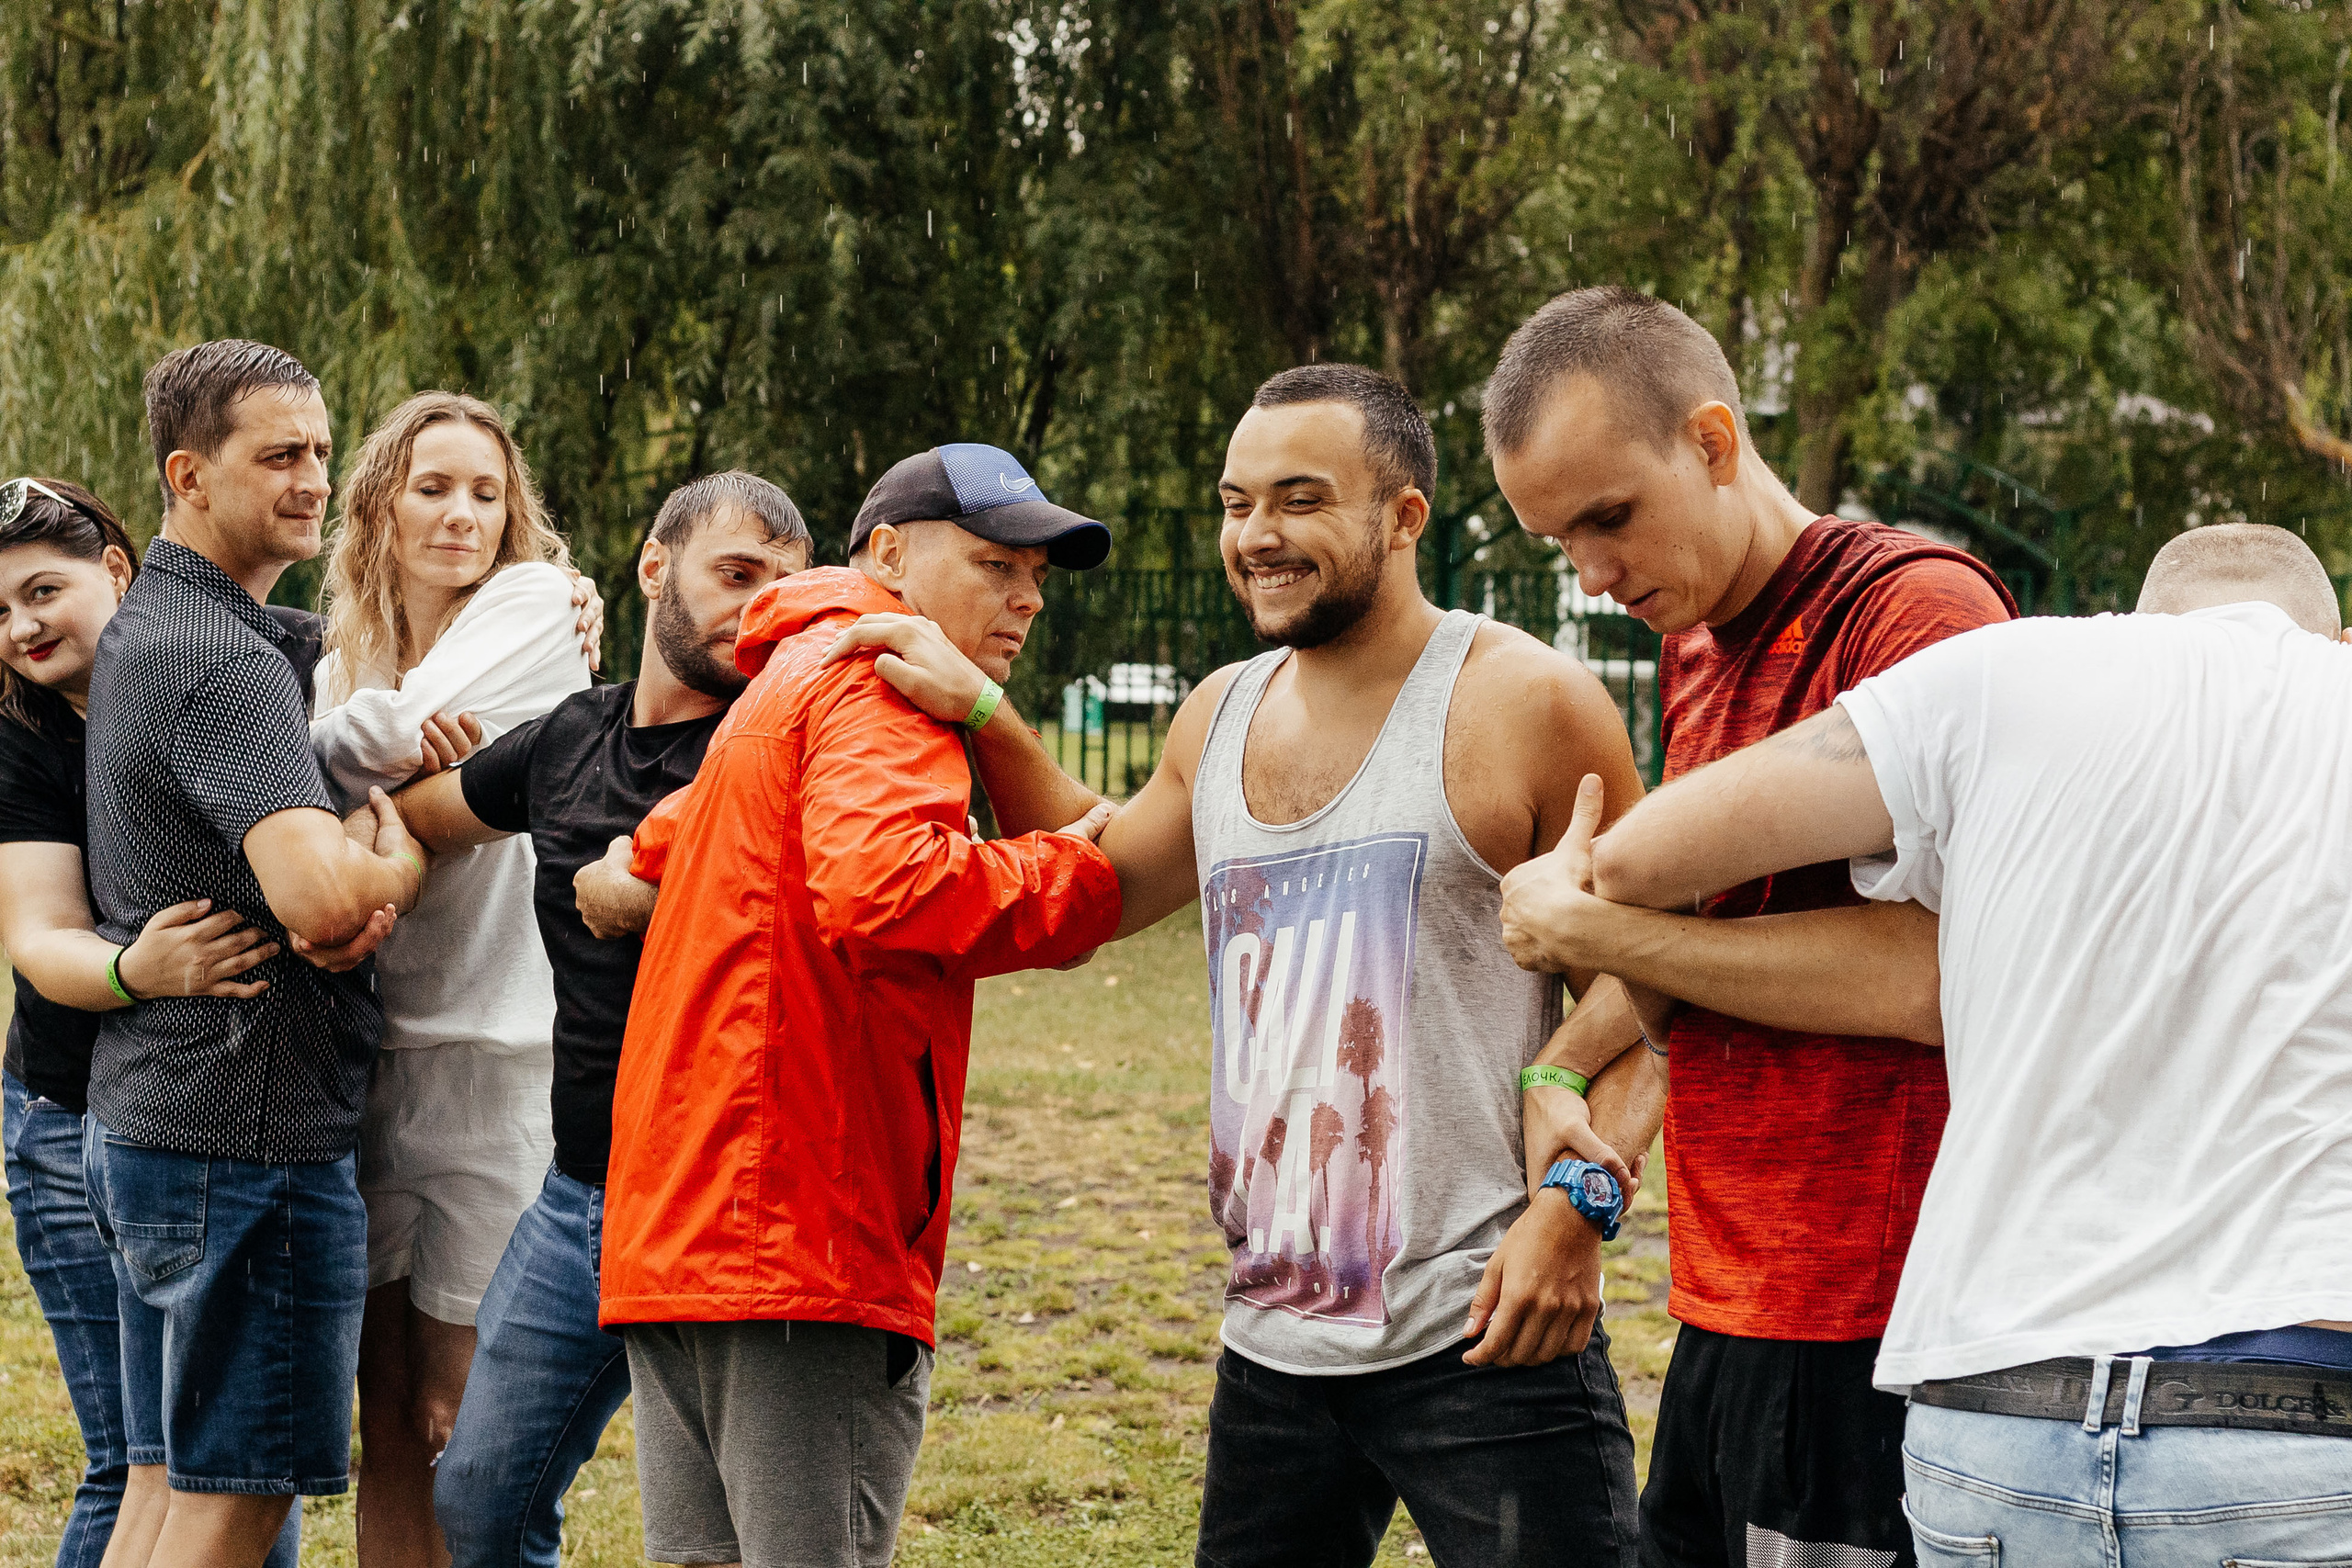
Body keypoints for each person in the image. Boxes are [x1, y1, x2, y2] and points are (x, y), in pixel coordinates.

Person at [819, 377, 1656, 1567]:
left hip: (1490, 1335)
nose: (1256, 534)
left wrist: (1577, 1216)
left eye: (1300, 500)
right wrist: (988, 712)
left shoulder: (1528, 701)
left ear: (1405, 515)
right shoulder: (1217, 713)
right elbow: (1111, 877)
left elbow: (1655, 988)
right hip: (1273, 1343)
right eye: (1236, 502)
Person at [1523, 522, 2352, 1559]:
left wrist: (1622, 966)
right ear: (2338, 639)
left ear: (2134, 628)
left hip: (1997, 1411)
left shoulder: (2013, 673)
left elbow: (1640, 861)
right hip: (2297, 1415)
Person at [1477, 287, 2016, 1567]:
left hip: (1878, 1314)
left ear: (1714, 441)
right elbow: (1717, 960)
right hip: (1731, 1295)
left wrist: (1599, 926)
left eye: (1609, 517)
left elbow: (1938, 973)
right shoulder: (1702, 644)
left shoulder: (1915, 612)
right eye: (1561, 542)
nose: (1594, 575)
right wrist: (1570, 1059)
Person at [595, 443, 1124, 1568]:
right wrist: (1077, 876)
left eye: (1037, 575)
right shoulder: (885, 677)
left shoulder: (786, 680)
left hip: (681, 1237)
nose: (1026, 596)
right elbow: (886, 888)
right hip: (800, 1241)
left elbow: (663, 843)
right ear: (888, 555)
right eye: (994, 563)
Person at [369, 471, 809, 1568]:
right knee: (477, 1497)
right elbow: (419, 817)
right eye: (736, 575)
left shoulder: (779, 753)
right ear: (654, 567)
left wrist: (657, 892)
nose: (760, 611)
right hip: (581, 1196)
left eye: (786, 589)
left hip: (730, 1203)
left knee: (739, 1536)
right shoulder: (571, 735)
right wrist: (365, 868)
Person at [78, 339, 428, 1568]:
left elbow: (328, 644)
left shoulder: (163, 621)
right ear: (187, 473)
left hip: (154, 1123)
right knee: (239, 1497)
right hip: (247, 1142)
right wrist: (396, 854)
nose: (311, 479)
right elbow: (325, 903)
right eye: (277, 455)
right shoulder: (220, 660)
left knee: (169, 1479)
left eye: (322, 453)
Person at [303, 390, 592, 1567]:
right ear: (381, 508)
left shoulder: (537, 609)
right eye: (433, 487)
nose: (463, 514)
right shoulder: (339, 658)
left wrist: (355, 749)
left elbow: (347, 756)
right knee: (385, 1421)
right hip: (372, 1060)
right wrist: (358, 741)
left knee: (461, 1426)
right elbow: (342, 750)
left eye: (486, 492)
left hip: (498, 1058)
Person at [0, 478, 304, 1568]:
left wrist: (545, 599)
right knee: (142, 1458)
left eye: (43, 590)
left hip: (215, 1113)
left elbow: (408, 660)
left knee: (225, 1465)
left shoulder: (246, 658)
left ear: (117, 571)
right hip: (73, 1109)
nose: (21, 627)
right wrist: (141, 968)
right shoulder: (23, 741)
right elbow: (39, 938)